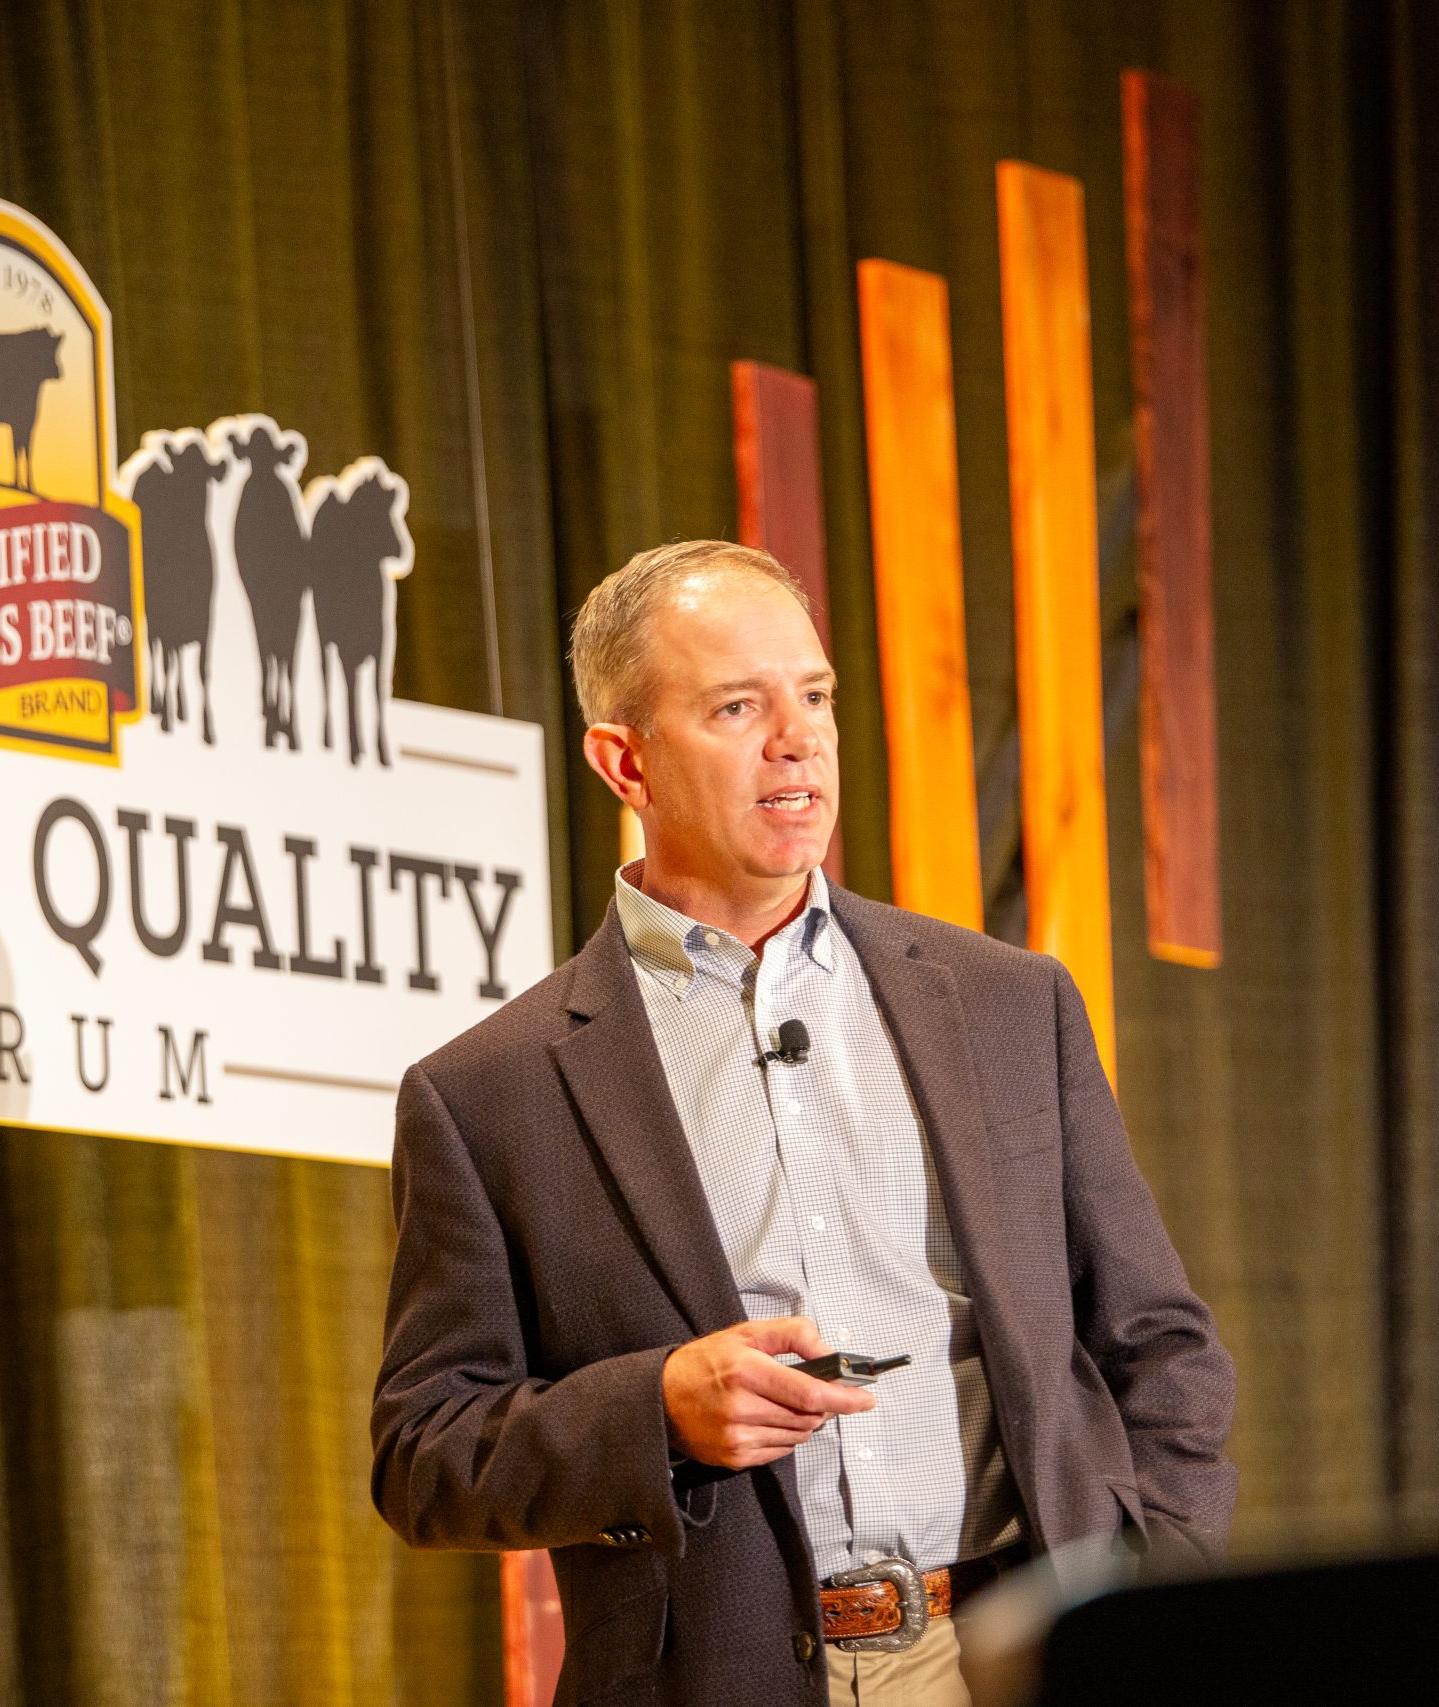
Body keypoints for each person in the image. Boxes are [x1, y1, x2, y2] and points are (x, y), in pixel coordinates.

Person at [371, 540, 1235, 1706]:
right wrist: (655, 1409)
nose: (799, 738)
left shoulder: (1004, 1004)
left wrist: (1157, 1585)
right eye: (737, 705)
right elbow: (426, 1453)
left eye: (814, 696)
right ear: (624, 761)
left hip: (1014, 1654)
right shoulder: (490, 1093)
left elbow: (1156, 1341)